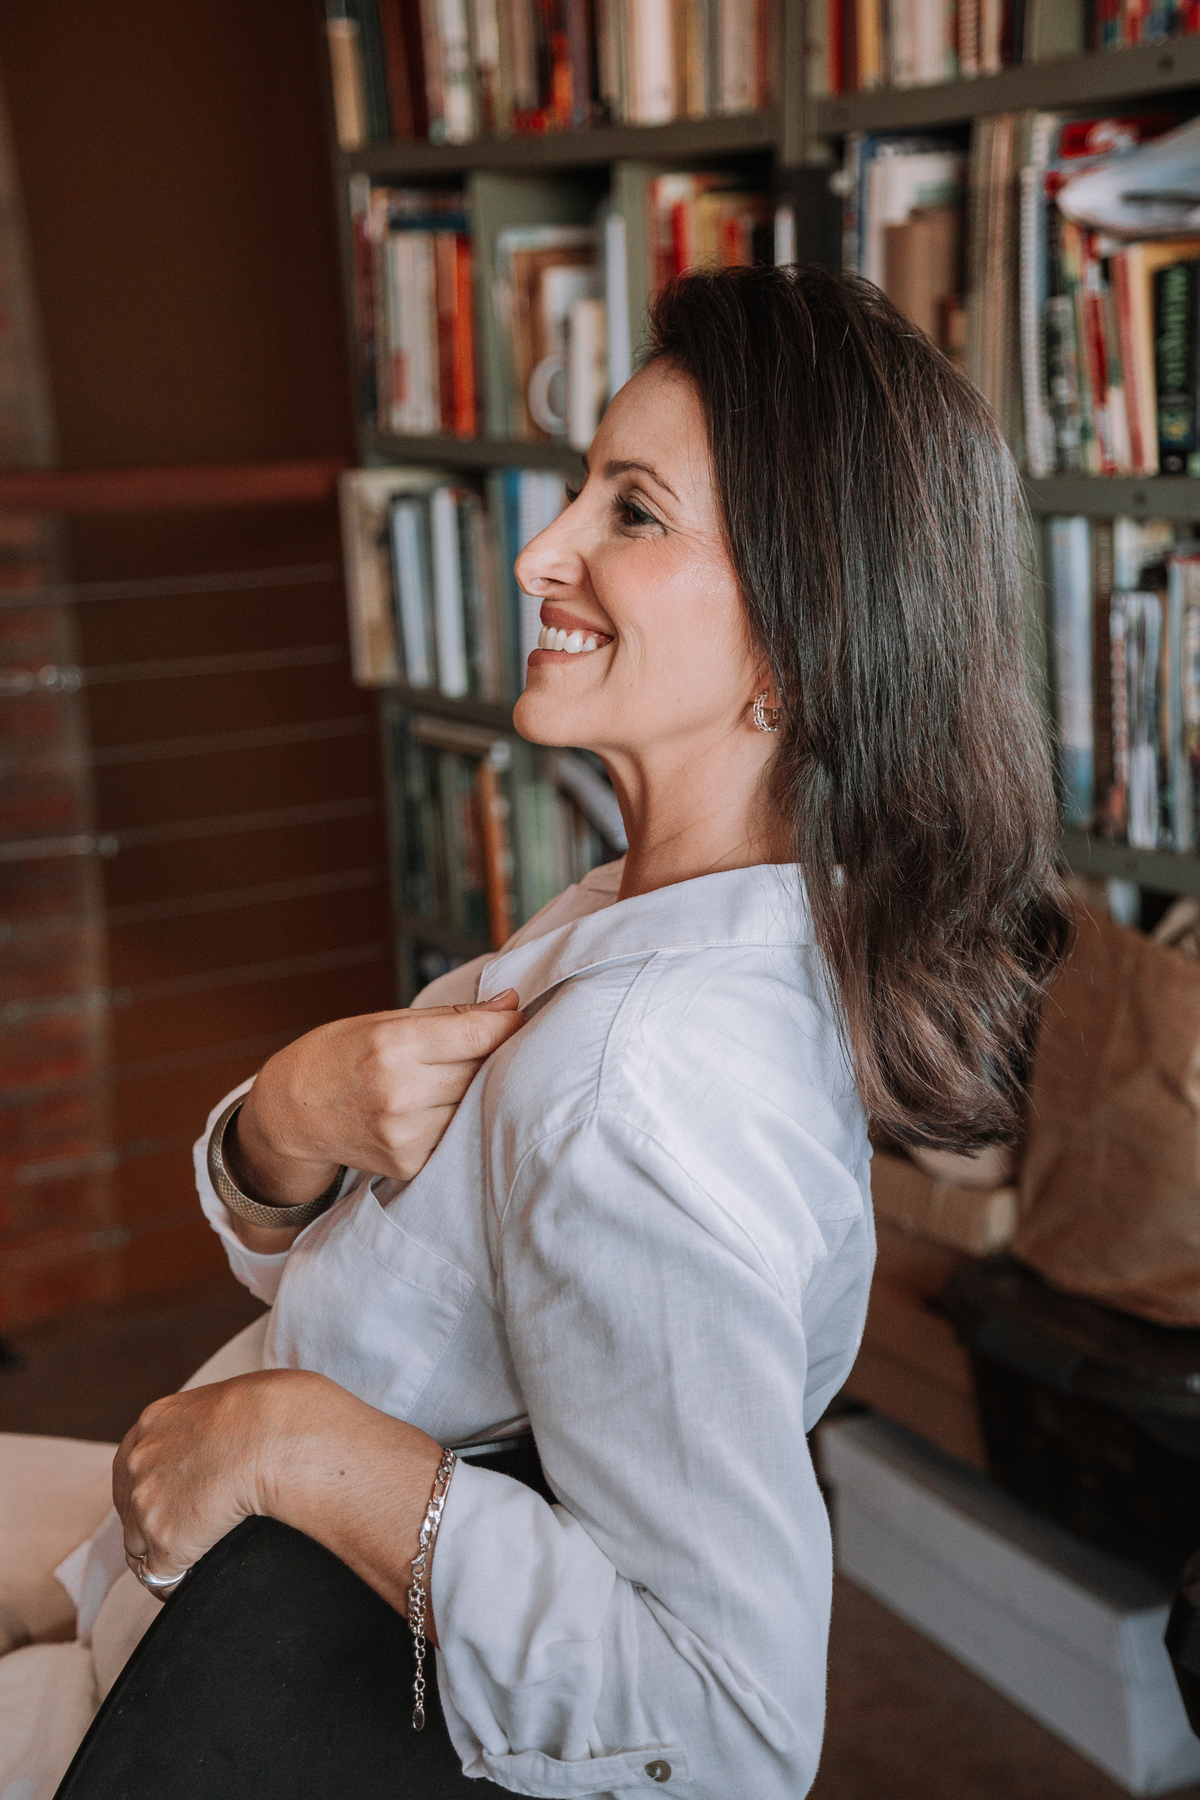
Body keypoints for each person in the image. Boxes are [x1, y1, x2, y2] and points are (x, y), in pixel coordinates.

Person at [65, 265, 1071, 1798]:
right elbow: (414, 1307)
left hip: (242, 1669)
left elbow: (730, 1728)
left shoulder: (632, 1084)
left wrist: (296, 1445)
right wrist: (285, 1122)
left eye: (633, 512)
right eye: (580, 489)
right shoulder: (648, 913)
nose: (542, 552)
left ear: (802, 646)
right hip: (187, 1584)